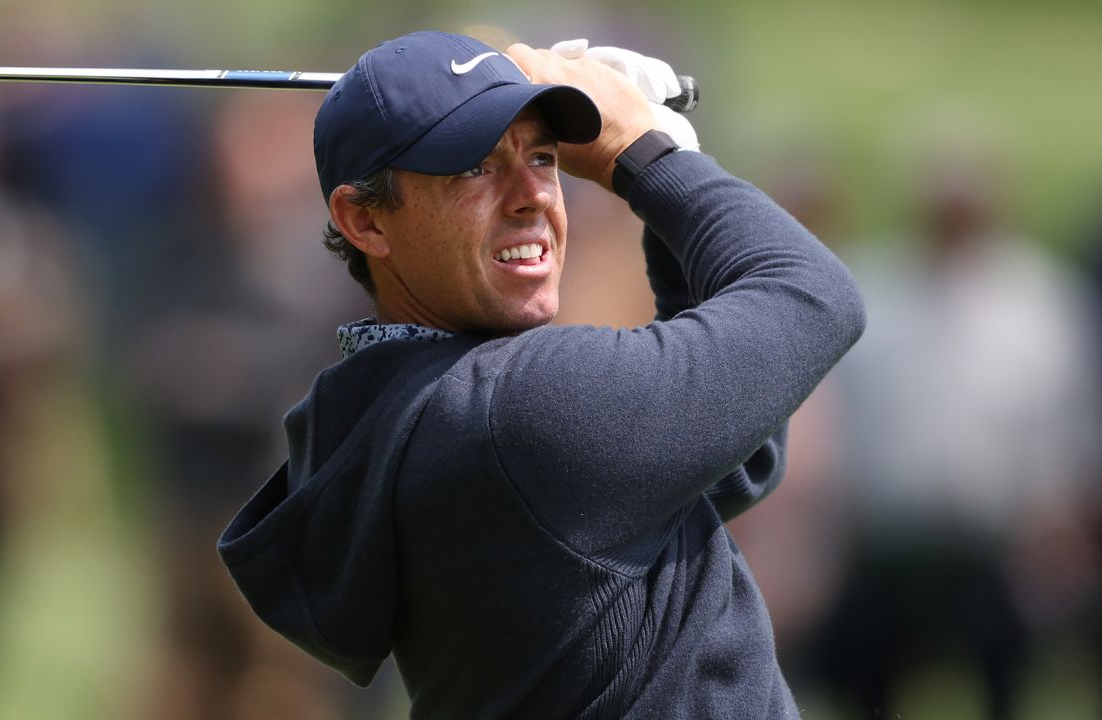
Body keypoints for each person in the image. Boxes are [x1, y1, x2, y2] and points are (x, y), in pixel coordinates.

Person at [218, 30, 865, 718]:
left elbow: (736, 457)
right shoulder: (518, 409)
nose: (532, 195)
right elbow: (813, 295)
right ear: (364, 220)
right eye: (473, 166)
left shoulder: (393, 407)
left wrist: (667, 158)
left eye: (544, 156)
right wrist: (648, 153)